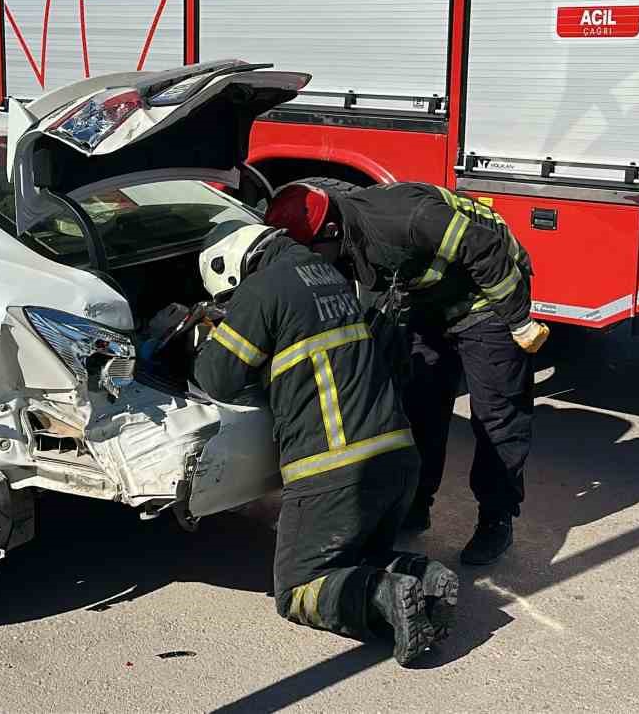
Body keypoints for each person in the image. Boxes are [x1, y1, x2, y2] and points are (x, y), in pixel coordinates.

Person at [192, 221, 458, 666]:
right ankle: (423, 576)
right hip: (396, 459)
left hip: (334, 471)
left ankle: (384, 596)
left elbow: (216, 377)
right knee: (357, 555)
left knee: (299, 589)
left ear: (227, 266)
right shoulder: (326, 272)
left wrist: (208, 334)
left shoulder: (263, 289)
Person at [265, 182, 548, 566]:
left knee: (497, 415)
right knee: (418, 407)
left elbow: (485, 248)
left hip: (488, 300)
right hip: (430, 302)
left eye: (312, 254)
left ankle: (496, 518)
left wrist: (518, 321)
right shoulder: (346, 237)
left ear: (330, 231)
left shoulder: (405, 219)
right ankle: (416, 504)